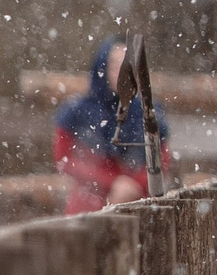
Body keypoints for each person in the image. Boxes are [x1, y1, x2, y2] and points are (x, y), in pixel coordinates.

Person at [51, 38, 169, 213]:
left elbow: (163, 159)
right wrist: (112, 181)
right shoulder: (76, 111)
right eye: (114, 64)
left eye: (126, 64)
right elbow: (64, 158)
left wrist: (134, 185)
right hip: (88, 206)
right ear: (102, 66)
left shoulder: (147, 112)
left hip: (137, 206)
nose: (121, 71)